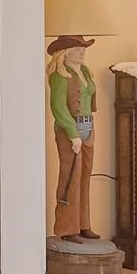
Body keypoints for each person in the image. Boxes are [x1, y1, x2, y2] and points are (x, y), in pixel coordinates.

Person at [47, 34, 100, 241]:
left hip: (88, 127)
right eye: (77, 49)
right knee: (70, 177)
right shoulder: (60, 76)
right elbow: (58, 107)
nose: (82, 52)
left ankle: (83, 223)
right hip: (71, 129)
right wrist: (72, 133)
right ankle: (67, 228)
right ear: (65, 53)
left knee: (85, 176)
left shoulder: (84, 72)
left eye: (83, 48)